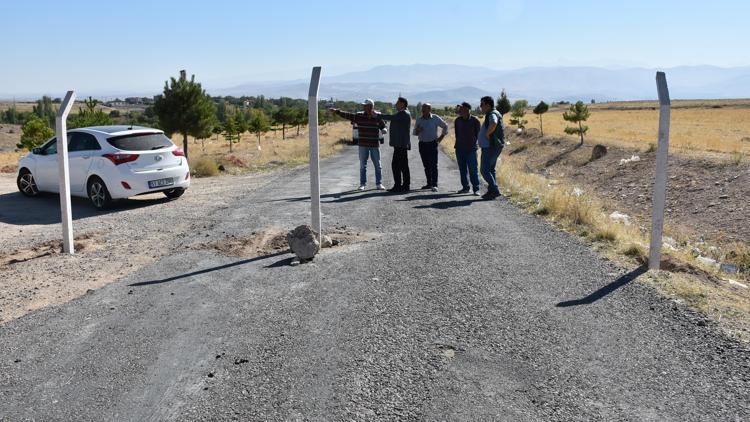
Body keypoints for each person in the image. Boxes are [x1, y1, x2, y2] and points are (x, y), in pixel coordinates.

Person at [330, 99, 386, 191]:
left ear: (371, 106)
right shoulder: (359, 116)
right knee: (362, 166)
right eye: (363, 105)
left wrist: (384, 130)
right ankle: (362, 184)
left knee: (377, 165)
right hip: (363, 145)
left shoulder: (377, 117)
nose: (363, 107)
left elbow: (383, 126)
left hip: (374, 145)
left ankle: (379, 183)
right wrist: (337, 111)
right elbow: (348, 115)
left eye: (365, 105)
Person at [377, 97, 411, 192]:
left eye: (397, 103)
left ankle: (399, 186)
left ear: (402, 104)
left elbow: (391, 118)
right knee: (403, 165)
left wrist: (378, 115)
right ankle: (404, 185)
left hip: (401, 144)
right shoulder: (404, 113)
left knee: (396, 165)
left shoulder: (404, 113)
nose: (395, 104)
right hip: (401, 144)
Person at [413, 103, 448, 192]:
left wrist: (441, 137)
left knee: (433, 165)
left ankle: (434, 184)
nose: (423, 110)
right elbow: (414, 133)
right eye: (422, 109)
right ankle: (429, 183)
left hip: (432, 144)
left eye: (424, 108)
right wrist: (417, 130)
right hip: (422, 144)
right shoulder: (419, 119)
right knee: (426, 165)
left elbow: (445, 126)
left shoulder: (435, 118)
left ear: (429, 109)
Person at [478, 96, 505, 200]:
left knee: (484, 170)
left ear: (488, 105)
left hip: (491, 146)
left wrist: (487, 134)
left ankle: (495, 190)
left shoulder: (492, 114)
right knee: (490, 169)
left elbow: (493, 123)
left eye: (482, 105)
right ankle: (491, 191)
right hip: (493, 146)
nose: (480, 107)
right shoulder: (494, 112)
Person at [454, 102, 481, 195]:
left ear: (467, 110)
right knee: (462, 170)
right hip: (459, 149)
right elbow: (457, 134)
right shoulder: (457, 120)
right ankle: (465, 188)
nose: (460, 111)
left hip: (471, 150)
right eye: (460, 109)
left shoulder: (475, 120)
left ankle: (476, 189)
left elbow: (479, 135)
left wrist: (476, 146)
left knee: (473, 170)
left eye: (461, 109)